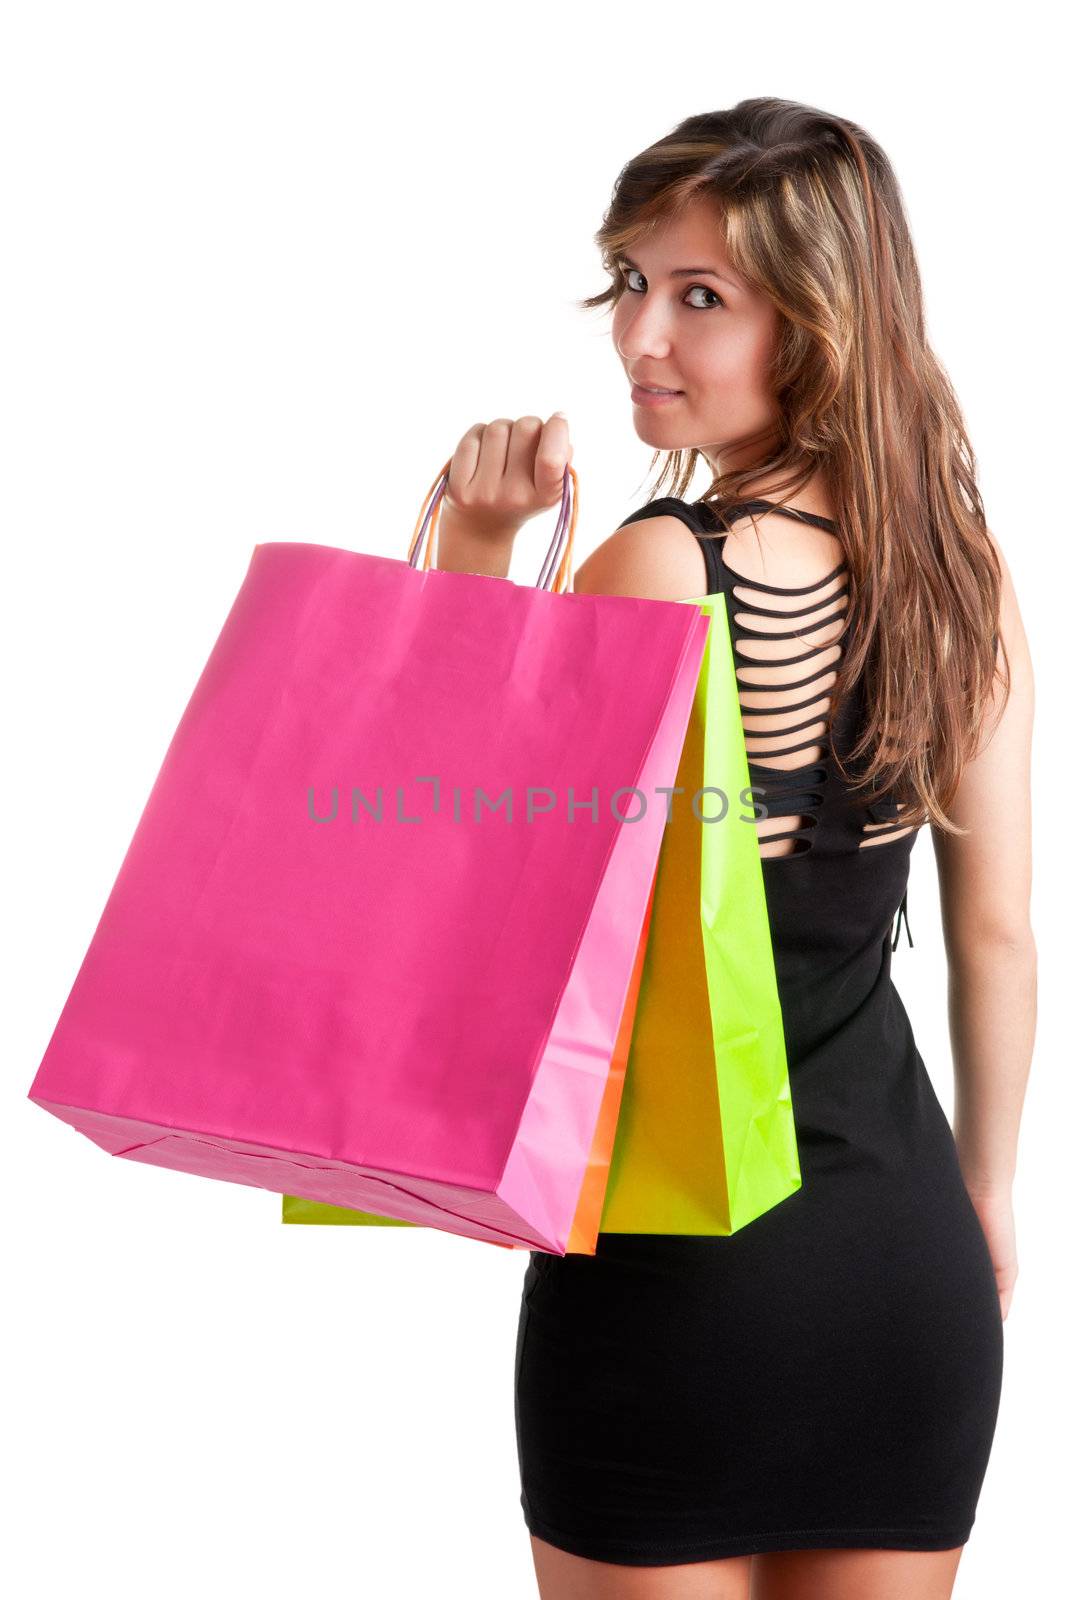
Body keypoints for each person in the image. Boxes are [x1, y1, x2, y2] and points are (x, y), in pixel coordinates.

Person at [437, 98, 1036, 1600]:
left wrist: (470, 552)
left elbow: (485, 890)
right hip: (909, 1269)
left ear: (822, 324)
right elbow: (1000, 934)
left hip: (679, 1266)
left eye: (702, 297)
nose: (644, 336)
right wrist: (989, 1199)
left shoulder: (656, 561)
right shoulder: (967, 586)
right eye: (632, 281)